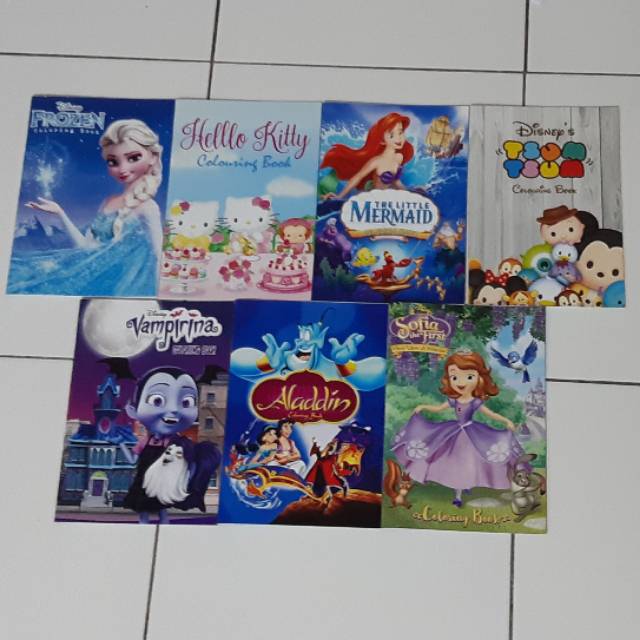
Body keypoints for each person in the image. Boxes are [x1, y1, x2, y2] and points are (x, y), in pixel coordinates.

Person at [15, 119, 163, 296]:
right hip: (92, 280)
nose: (123, 168)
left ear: (153, 157)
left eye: (133, 158)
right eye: (113, 162)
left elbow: (158, 255)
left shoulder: (148, 207)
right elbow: (85, 247)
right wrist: (60, 213)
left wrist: (163, 294)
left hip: (118, 286)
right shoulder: (108, 202)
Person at [391, 351, 523, 507]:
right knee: (450, 460)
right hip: (453, 432)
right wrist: (423, 406)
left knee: (469, 461)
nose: (461, 382)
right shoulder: (454, 400)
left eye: (469, 377)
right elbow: (439, 408)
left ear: (479, 379)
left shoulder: (475, 401)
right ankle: (458, 493)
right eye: (454, 377)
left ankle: (463, 489)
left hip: (471, 434)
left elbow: (491, 414)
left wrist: (506, 420)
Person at [320, 112, 414, 200]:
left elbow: (396, 182)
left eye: (400, 132)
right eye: (391, 135)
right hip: (374, 200)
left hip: (388, 199)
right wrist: (339, 196)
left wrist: (410, 194)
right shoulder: (376, 161)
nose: (398, 138)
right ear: (382, 141)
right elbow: (358, 177)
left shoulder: (399, 157)